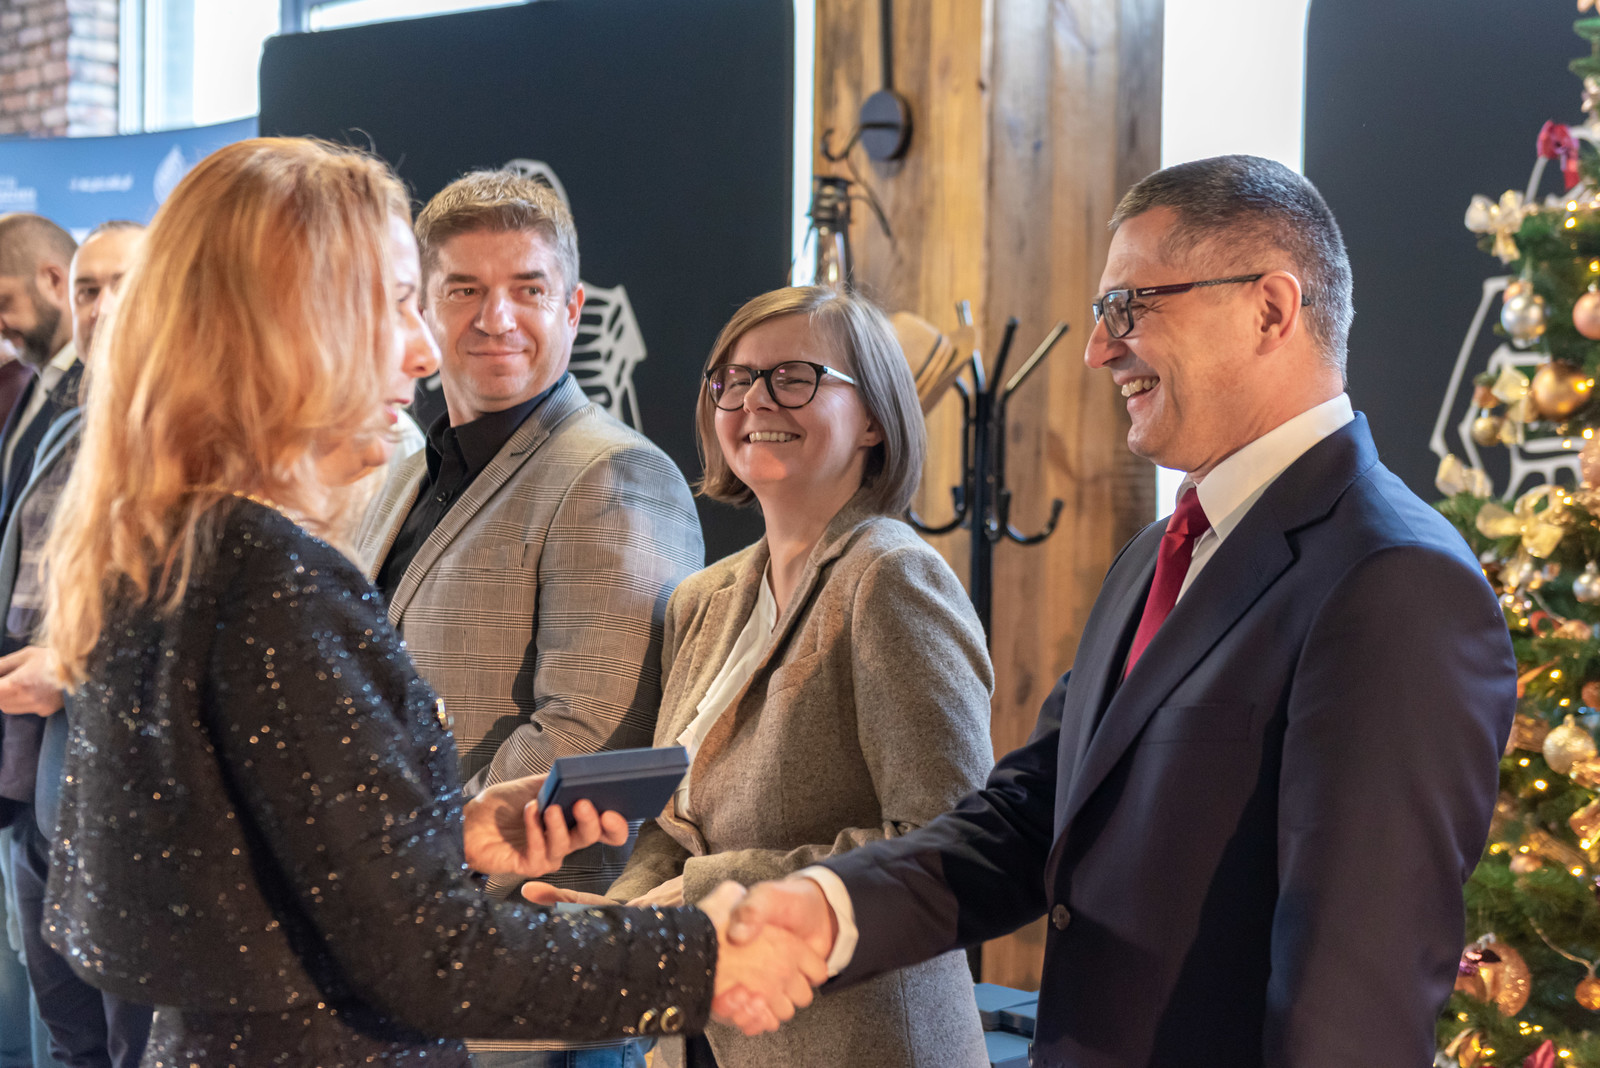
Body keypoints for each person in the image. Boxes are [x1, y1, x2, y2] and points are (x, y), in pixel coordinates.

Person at [35, 137, 822, 1067]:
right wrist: (706, 956)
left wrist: (434, 833)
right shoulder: (263, 579)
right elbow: (428, 958)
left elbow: (135, 896)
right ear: (288, 326)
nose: (424, 348)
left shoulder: (169, 550)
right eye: (402, 302)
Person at [725, 155, 1520, 1068]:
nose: (1099, 349)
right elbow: (1032, 817)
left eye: (1131, 307)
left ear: (1270, 309)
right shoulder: (1158, 552)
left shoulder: (1395, 581)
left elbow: (1353, 1006)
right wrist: (828, 907)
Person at [530, 287, 992, 1068]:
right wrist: (622, 923)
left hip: (860, 1044)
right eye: (734, 381)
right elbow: (675, 827)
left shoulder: (891, 577)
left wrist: (711, 888)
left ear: (874, 419)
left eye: (795, 378)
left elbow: (946, 845)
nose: (756, 401)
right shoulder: (703, 600)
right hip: (702, 1035)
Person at [354, 170, 703, 1068]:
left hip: (530, 969)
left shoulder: (616, 472)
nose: (495, 317)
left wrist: (405, 859)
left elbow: (590, 733)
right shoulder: (404, 472)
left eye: (528, 289)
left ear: (574, 309)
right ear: (421, 308)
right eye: (464, 289)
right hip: (405, 951)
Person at [0, 219, 150, 1068]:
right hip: (36, 779)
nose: (102, 307)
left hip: (128, 801)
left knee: (132, 1042)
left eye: (125, 285)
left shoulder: (195, 438)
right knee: (68, 1037)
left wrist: (74, 669)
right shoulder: (65, 421)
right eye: (89, 289)